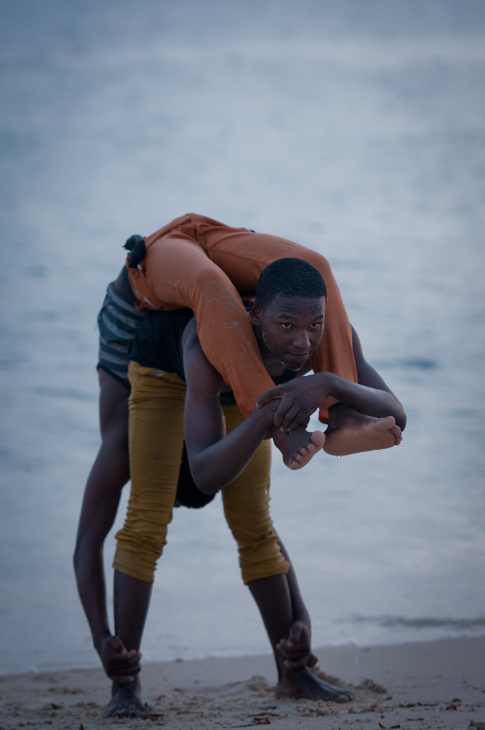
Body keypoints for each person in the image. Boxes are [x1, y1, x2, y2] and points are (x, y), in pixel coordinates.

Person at [105, 258, 406, 717]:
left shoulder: (319, 338)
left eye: (315, 325)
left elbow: (397, 412)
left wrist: (327, 382)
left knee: (255, 523)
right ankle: (124, 688)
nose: (302, 342)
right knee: (146, 522)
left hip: (249, 392)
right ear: (255, 316)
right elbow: (206, 473)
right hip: (166, 380)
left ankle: (293, 673)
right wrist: (267, 418)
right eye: (286, 324)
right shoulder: (207, 339)